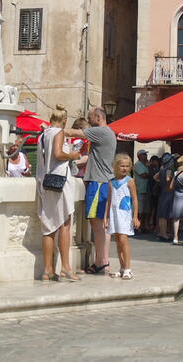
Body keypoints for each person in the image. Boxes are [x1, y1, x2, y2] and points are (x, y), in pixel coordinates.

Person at [69, 107, 117, 274]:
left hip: (98, 182)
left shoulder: (101, 131)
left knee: (97, 225)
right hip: (103, 182)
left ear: (98, 117)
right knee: (101, 225)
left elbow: (77, 133)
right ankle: (101, 261)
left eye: (90, 119)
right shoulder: (108, 132)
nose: (89, 123)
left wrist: (55, 129)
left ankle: (102, 262)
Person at [36, 105, 80, 282]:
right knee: (64, 223)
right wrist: (73, 155)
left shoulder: (42, 135)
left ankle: (47, 270)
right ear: (64, 120)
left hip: (44, 182)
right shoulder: (59, 132)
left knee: (48, 227)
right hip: (60, 181)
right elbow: (58, 154)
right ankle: (66, 267)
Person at [105, 153, 139, 279]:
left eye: (127, 166)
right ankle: (122, 266)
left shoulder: (130, 181)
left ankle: (128, 268)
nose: (124, 168)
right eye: (122, 166)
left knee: (124, 240)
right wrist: (106, 217)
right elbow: (109, 200)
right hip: (114, 215)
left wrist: (135, 216)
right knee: (118, 241)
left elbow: (135, 199)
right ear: (116, 167)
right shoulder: (111, 182)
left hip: (124, 214)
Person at [154, 153, 175, 241]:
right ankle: (164, 234)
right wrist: (173, 179)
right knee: (165, 215)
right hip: (168, 193)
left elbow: (154, 177)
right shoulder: (169, 169)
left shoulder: (161, 168)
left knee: (162, 214)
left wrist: (160, 182)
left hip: (163, 192)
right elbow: (168, 179)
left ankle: (161, 232)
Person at [133, 150, 151, 232]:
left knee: (146, 209)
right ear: (139, 156)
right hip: (140, 189)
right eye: (144, 154)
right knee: (140, 209)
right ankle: (138, 226)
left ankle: (145, 225)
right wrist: (151, 173)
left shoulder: (146, 165)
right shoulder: (138, 165)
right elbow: (143, 175)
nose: (146, 156)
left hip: (147, 190)